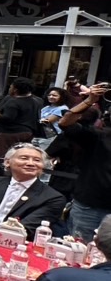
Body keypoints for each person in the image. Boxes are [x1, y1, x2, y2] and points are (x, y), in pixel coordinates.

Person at [48, 81, 111, 238]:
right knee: (79, 251)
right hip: (91, 206)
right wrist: (89, 100)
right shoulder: (101, 136)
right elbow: (65, 123)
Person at [0, 143, 66, 231]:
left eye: (37, 160)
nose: (30, 163)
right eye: (24, 158)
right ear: (7, 162)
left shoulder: (53, 198)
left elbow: (26, 228)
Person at [0, 78, 42, 175]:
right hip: (28, 132)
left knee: (3, 156)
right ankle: (17, 174)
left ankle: (1, 176)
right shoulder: (36, 101)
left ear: (15, 89)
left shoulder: (13, 102)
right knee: (20, 154)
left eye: (11, 86)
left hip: (10, 133)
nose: (10, 88)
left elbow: (6, 118)